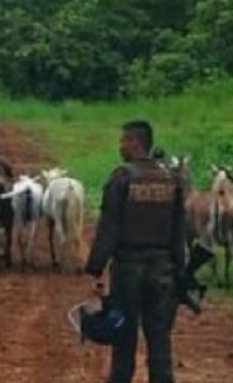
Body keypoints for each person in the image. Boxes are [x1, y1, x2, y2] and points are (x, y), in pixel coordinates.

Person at [85, 120, 187, 383]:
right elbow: (179, 232)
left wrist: (96, 269)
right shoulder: (172, 180)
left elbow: (108, 228)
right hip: (163, 272)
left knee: (123, 343)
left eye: (123, 141)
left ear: (134, 143)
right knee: (160, 342)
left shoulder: (122, 177)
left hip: (128, 270)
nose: (121, 146)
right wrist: (180, 271)